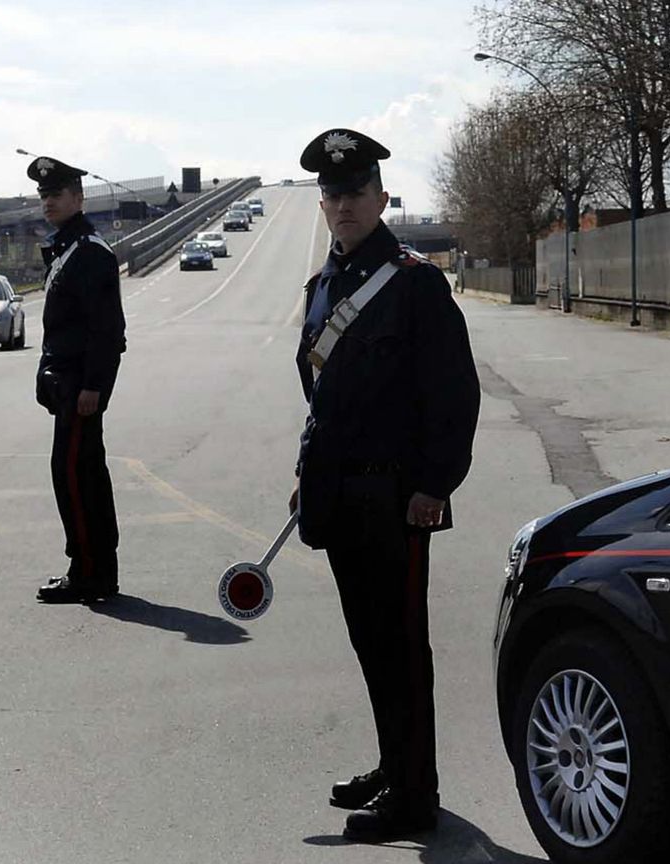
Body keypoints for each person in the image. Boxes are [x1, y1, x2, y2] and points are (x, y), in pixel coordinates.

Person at [290, 128, 480, 842]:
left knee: (402, 645)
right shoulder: (323, 286)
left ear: (381, 196)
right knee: (370, 641)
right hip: (341, 496)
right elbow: (321, 401)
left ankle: (415, 794)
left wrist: (435, 483)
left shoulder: (414, 283)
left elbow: (453, 395)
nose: (343, 205)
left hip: (398, 497)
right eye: (332, 194)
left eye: (356, 192)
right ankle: (394, 762)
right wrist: (305, 477)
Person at [28, 156, 126, 604]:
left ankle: (88, 570)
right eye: (44, 195)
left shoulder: (88, 252)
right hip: (67, 385)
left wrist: (93, 387)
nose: (49, 202)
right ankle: (96, 568)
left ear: (78, 198)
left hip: (79, 389)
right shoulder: (69, 248)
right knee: (81, 474)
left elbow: (107, 330)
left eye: (57, 194)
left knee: (74, 475)